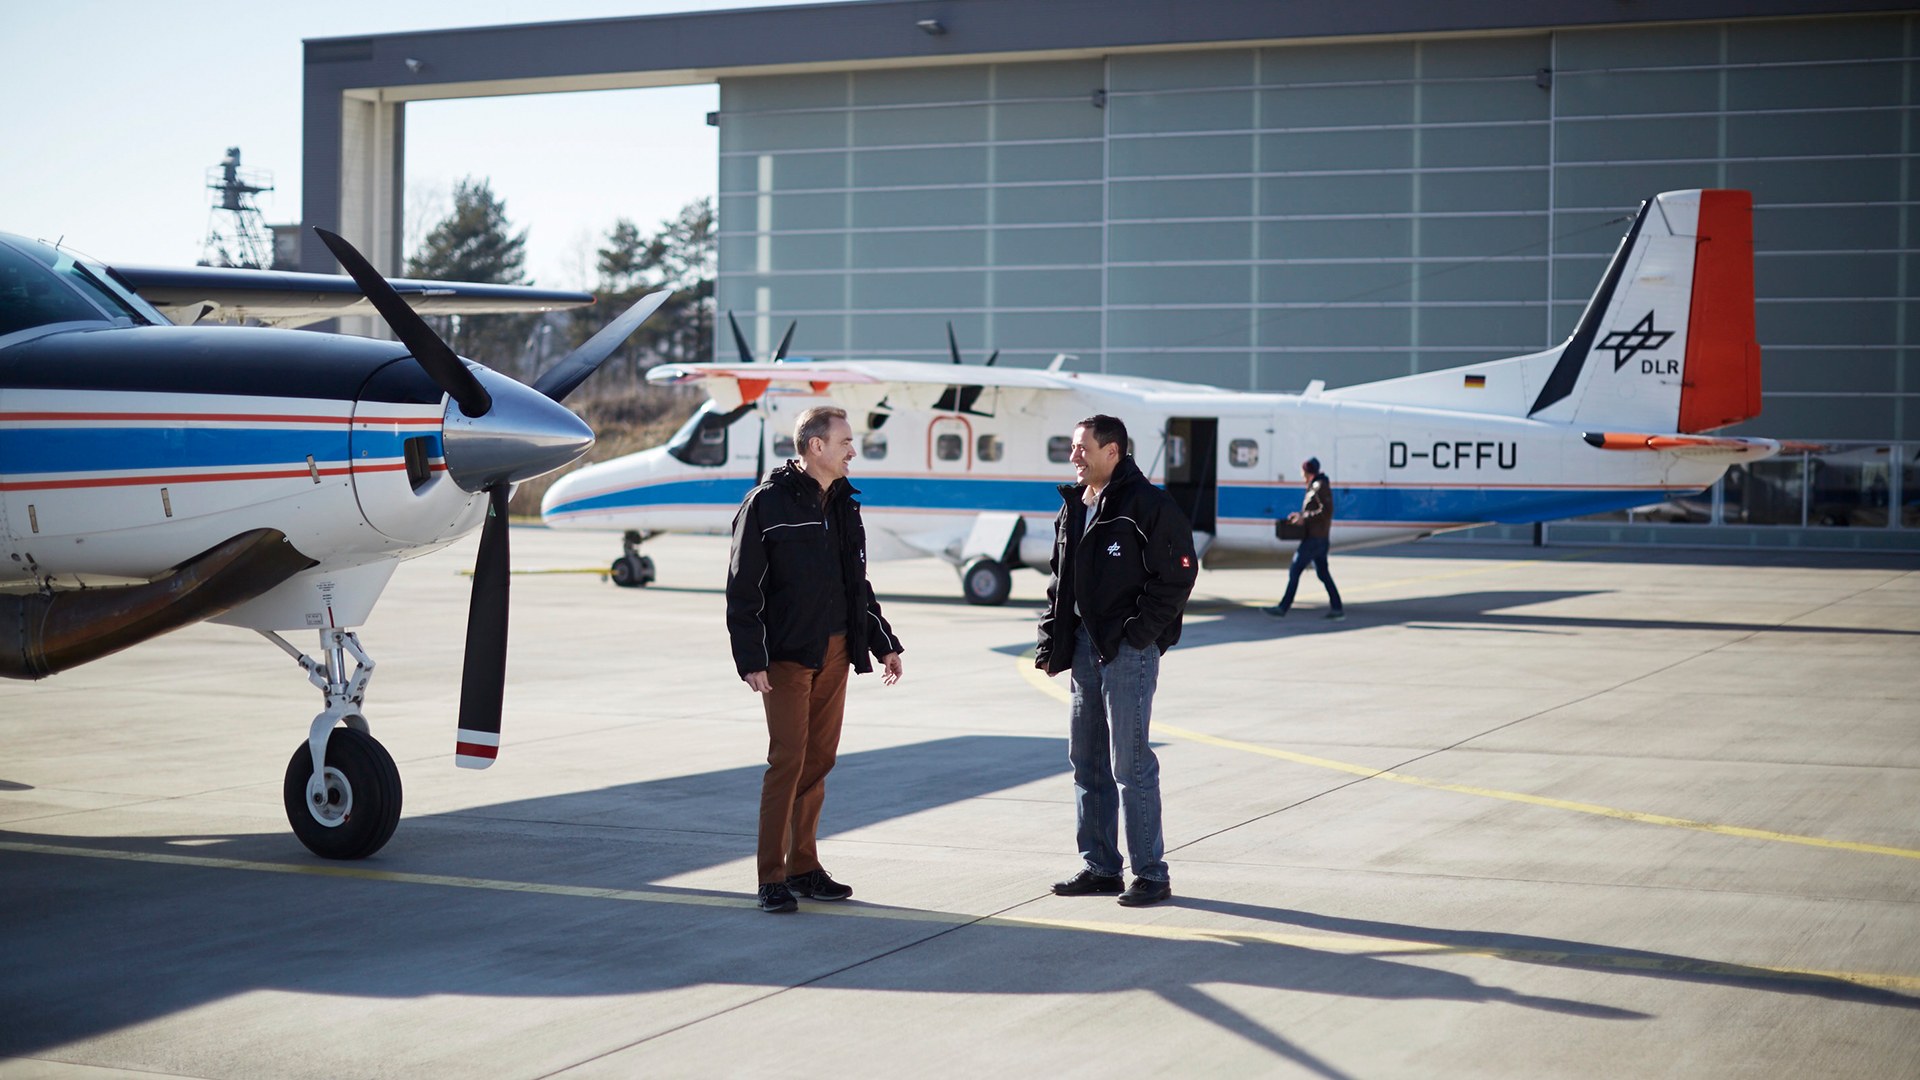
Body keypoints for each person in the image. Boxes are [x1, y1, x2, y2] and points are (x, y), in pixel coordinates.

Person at [726, 405, 904, 914]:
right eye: (845, 441)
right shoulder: (765, 504)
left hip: (836, 650)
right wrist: (751, 658)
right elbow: (743, 589)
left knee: (820, 761)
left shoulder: (845, 504)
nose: (853, 450)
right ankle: (771, 877)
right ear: (815, 447)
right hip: (785, 656)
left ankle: (804, 866)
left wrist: (882, 641)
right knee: (788, 761)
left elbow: (857, 584)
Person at [1035, 415, 1198, 907]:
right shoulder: (1075, 506)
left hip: (1127, 651)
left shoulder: (1147, 504)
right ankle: (1100, 865)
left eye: (1082, 448)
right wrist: (1051, 637)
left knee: (1130, 764)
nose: (1074, 456)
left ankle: (1151, 873)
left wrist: (1137, 634)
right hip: (1085, 647)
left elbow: (1178, 576)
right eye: (1072, 447)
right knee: (1087, 760)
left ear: (1114, 451)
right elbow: (1060, 581)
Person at [1265, 457, 1344, 620]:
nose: (1301, 475)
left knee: (1295, 569)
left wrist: (1304, 518)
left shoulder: (1320, 486)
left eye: (1303, 472)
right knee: (1323, 574)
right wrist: (1300, 516)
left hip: (1315, 540)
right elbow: (1317, 512)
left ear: (1308, 472)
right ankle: (1337, 609)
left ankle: (1283, 608)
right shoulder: (1315, 486)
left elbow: (1326, 512)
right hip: (1317, 538)